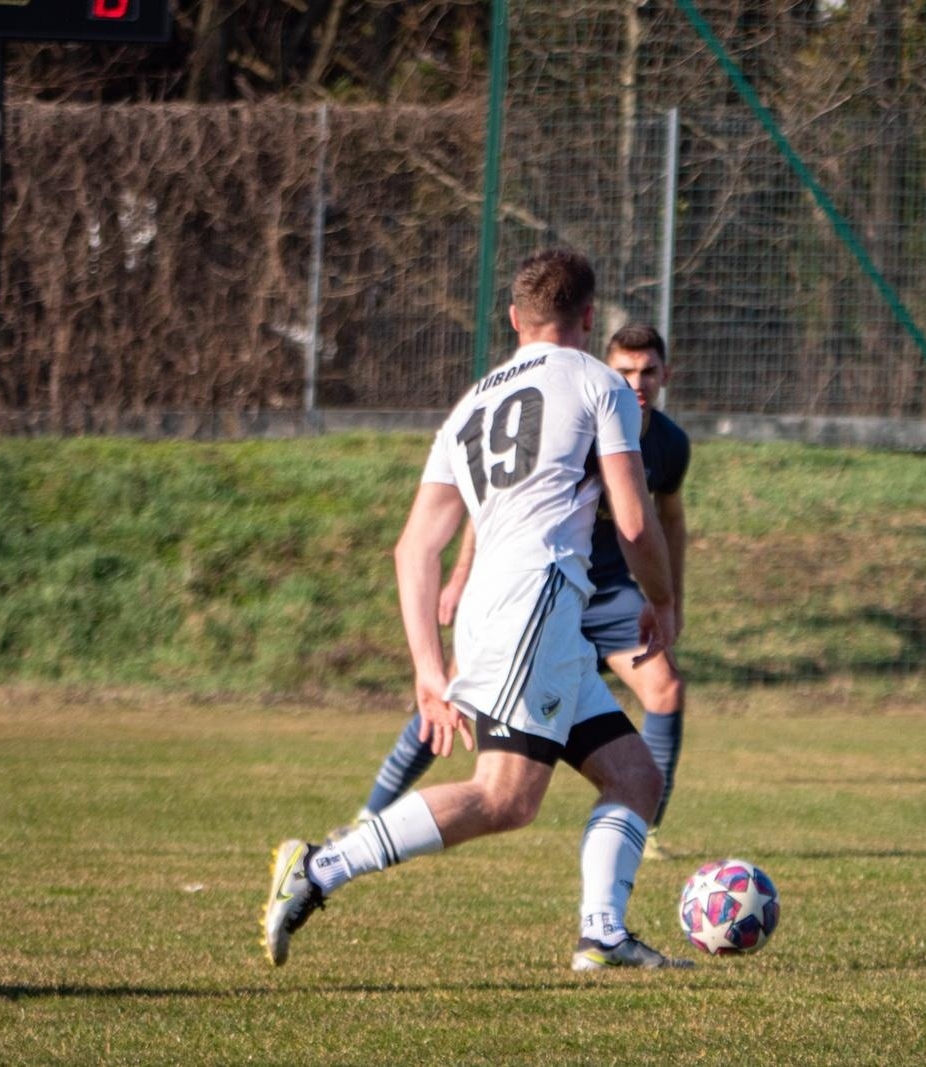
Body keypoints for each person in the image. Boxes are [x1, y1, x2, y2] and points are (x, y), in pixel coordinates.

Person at [263, 248, 691, 971]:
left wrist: (428, 669)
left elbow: (414, 549)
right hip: (540, 602)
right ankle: (321, 866)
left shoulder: (472, 404)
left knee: (634, 776)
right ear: (589, 318)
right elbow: (634, 520)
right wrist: (663, 600)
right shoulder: (598, 383)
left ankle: (603, 933)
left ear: (514, 319)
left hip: (509, 608)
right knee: (506, 796)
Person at [344, 324, 690, 858]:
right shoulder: (584, 404)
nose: (637, 382)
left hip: (609, 594)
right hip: (537, 588)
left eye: (648, 371)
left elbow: (666, 518)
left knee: (664, 689)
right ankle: (368, 817)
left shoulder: (670, 443)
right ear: (605, 364)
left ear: (667, 375)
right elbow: (503, 510)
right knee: (460, 707)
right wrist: (461, 576)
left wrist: (670, 597)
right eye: (626, 370)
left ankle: (645, 836)